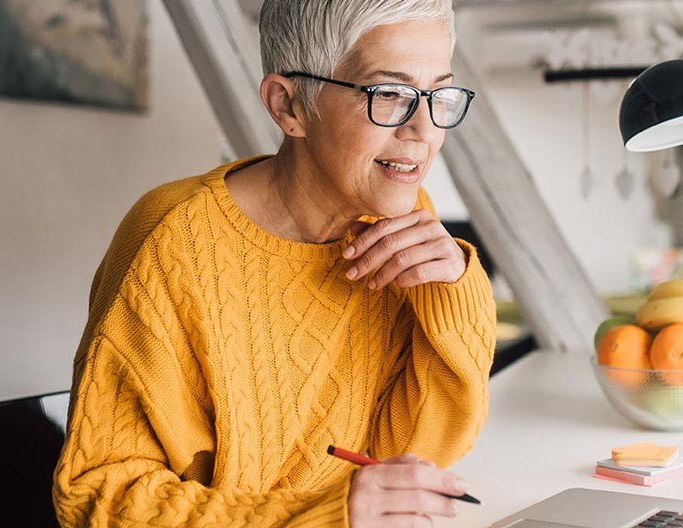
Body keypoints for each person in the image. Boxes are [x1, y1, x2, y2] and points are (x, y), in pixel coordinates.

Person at [51, 1, 496, 526]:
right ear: (288, 106)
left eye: (439, 95)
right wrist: (321, 514)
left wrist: (452, 290)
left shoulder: (396, 220)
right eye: (390, 94)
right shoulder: (172, 242)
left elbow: (420, 449)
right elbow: (95, 497)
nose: (423, 130)